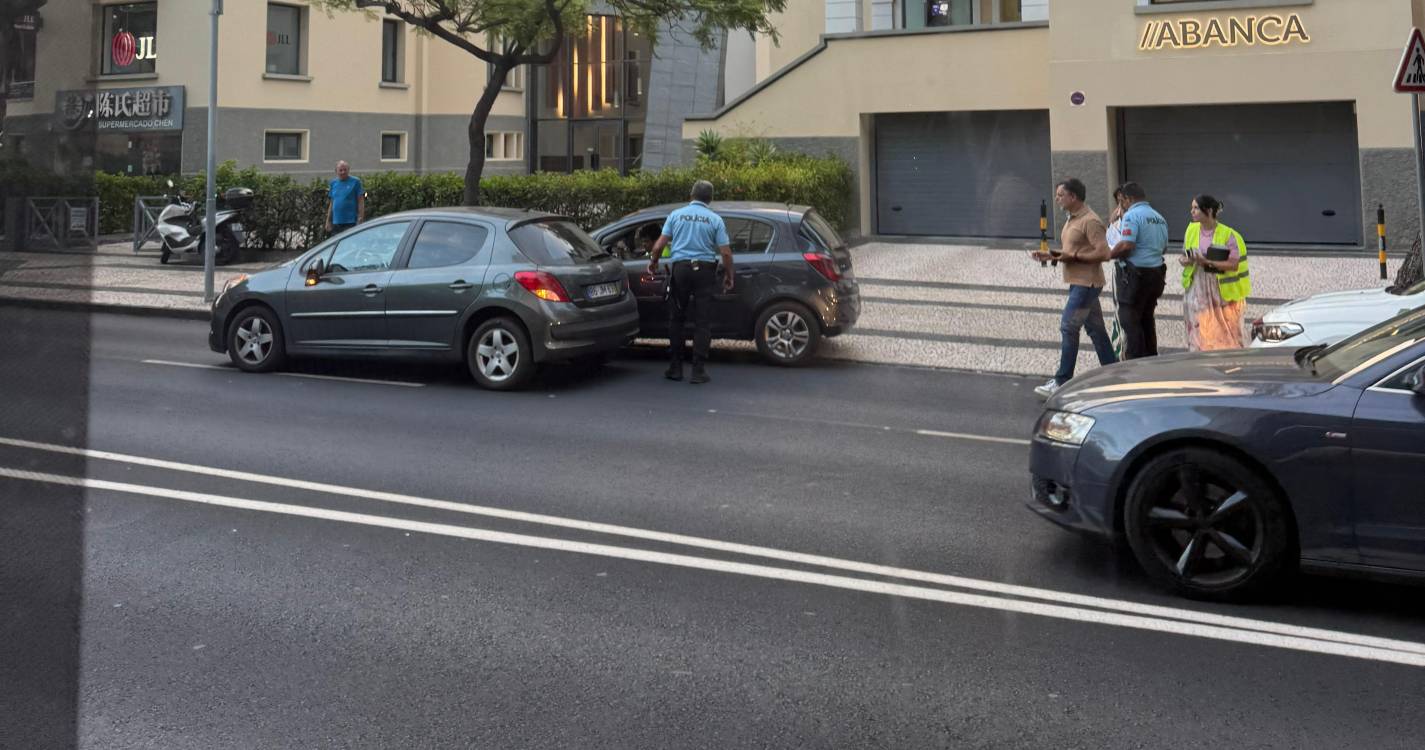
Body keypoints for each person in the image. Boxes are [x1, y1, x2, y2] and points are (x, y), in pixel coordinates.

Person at [1031, 178, 1118, 399]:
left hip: (1086, 285)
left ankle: (1062, 380)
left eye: (1061, 194)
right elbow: (1072, 250)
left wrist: (1074, 256)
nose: (1057, 198)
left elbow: (1104, 253)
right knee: (1096, 331)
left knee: (1069, 328)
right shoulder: (1073, 219)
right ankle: (1114, 373)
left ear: (1074, 197)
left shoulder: (1090, 221)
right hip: (1079, 283)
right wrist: (1052, 254)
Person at [647, 180, 735, 384]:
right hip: (705, 271)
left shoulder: (676, 215)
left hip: (681, 270)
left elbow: (659, 246)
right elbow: (725, 253)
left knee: (677, 319)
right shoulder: (715, 219)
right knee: (702, 321)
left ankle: (676, 367)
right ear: (710, 199)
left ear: (691, 195)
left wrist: (653, 262)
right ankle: (698, 370)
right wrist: (730, 275)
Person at [1180, 194, 1250, 351]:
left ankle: (1228, 364)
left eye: (1196, 208)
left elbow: (1233, 264)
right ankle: (1200, 361)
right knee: (1199, 331)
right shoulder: (1191, 230)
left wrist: (1207, 262)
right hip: (1197, 289)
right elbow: (1183, 256)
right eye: (1192, 208)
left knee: (1226, 335)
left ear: (1209, 211)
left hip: (1221, 293)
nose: (1192, 211)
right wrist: (1185, 260)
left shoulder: (1229, 234)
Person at [1108, 181, 1170, 359]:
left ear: (1128, 198)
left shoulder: (1132, 215)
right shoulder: (1159, 217)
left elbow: (1127, 245)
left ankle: (1135, 359)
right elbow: (1163, 248)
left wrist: (1109, 254)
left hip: (1135, 276)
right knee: (1147, 318)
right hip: (1156, 275)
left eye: (1122, 201)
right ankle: (1151, 356)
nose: (1121, 206)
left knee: (1128, 318)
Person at [325, 160, 365, 236]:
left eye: (345, 170)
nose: (343, 172)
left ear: (348, 170)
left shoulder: (356, 182)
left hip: (350, 222)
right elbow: (332, 203)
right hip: (336, 222)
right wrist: (328, 220)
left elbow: (360, 201)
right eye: (340, 170)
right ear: (336, 171)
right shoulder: (333, 183)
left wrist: (360, 218)